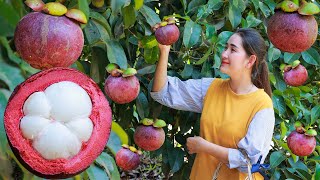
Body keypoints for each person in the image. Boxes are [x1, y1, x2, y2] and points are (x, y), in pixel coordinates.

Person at [150, 28, 275, 180]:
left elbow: (248, 162)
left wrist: (204, 147)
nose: (224, 54)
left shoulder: (262, 105)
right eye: (225, 47)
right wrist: (164, 49)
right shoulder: (211, 88)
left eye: (233, 50)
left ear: (250, 61)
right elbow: (162, 93)